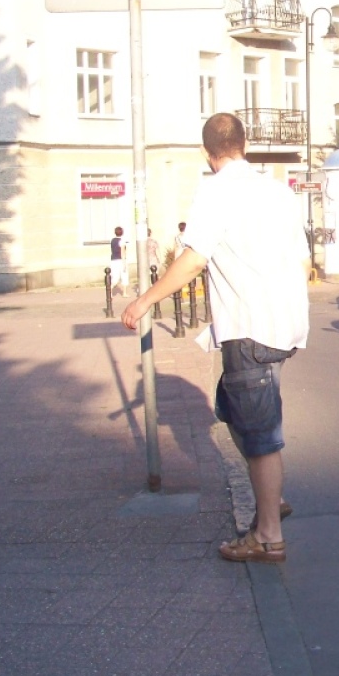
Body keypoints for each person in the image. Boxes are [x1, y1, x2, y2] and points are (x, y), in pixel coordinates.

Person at [122, 112, 310, 564]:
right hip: (281, 328)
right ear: (245, 145)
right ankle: (272, 499)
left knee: (261, 434)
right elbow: (304, 263)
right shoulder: (277, 191)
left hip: (249, 328)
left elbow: (192, 259)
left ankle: (268, 535)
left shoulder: (215, 191)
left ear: (208, 155)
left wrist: (144, 300)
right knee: (235, 410)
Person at [109, 226, 128, 296]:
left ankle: (110, 292)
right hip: (120, 260)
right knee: (124, 275)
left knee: (115, 276)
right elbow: (122, 252)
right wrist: (124, 263)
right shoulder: (122, 241)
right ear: (122, 232)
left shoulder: (112, 240)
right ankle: (124, 293)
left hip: (113, 260)